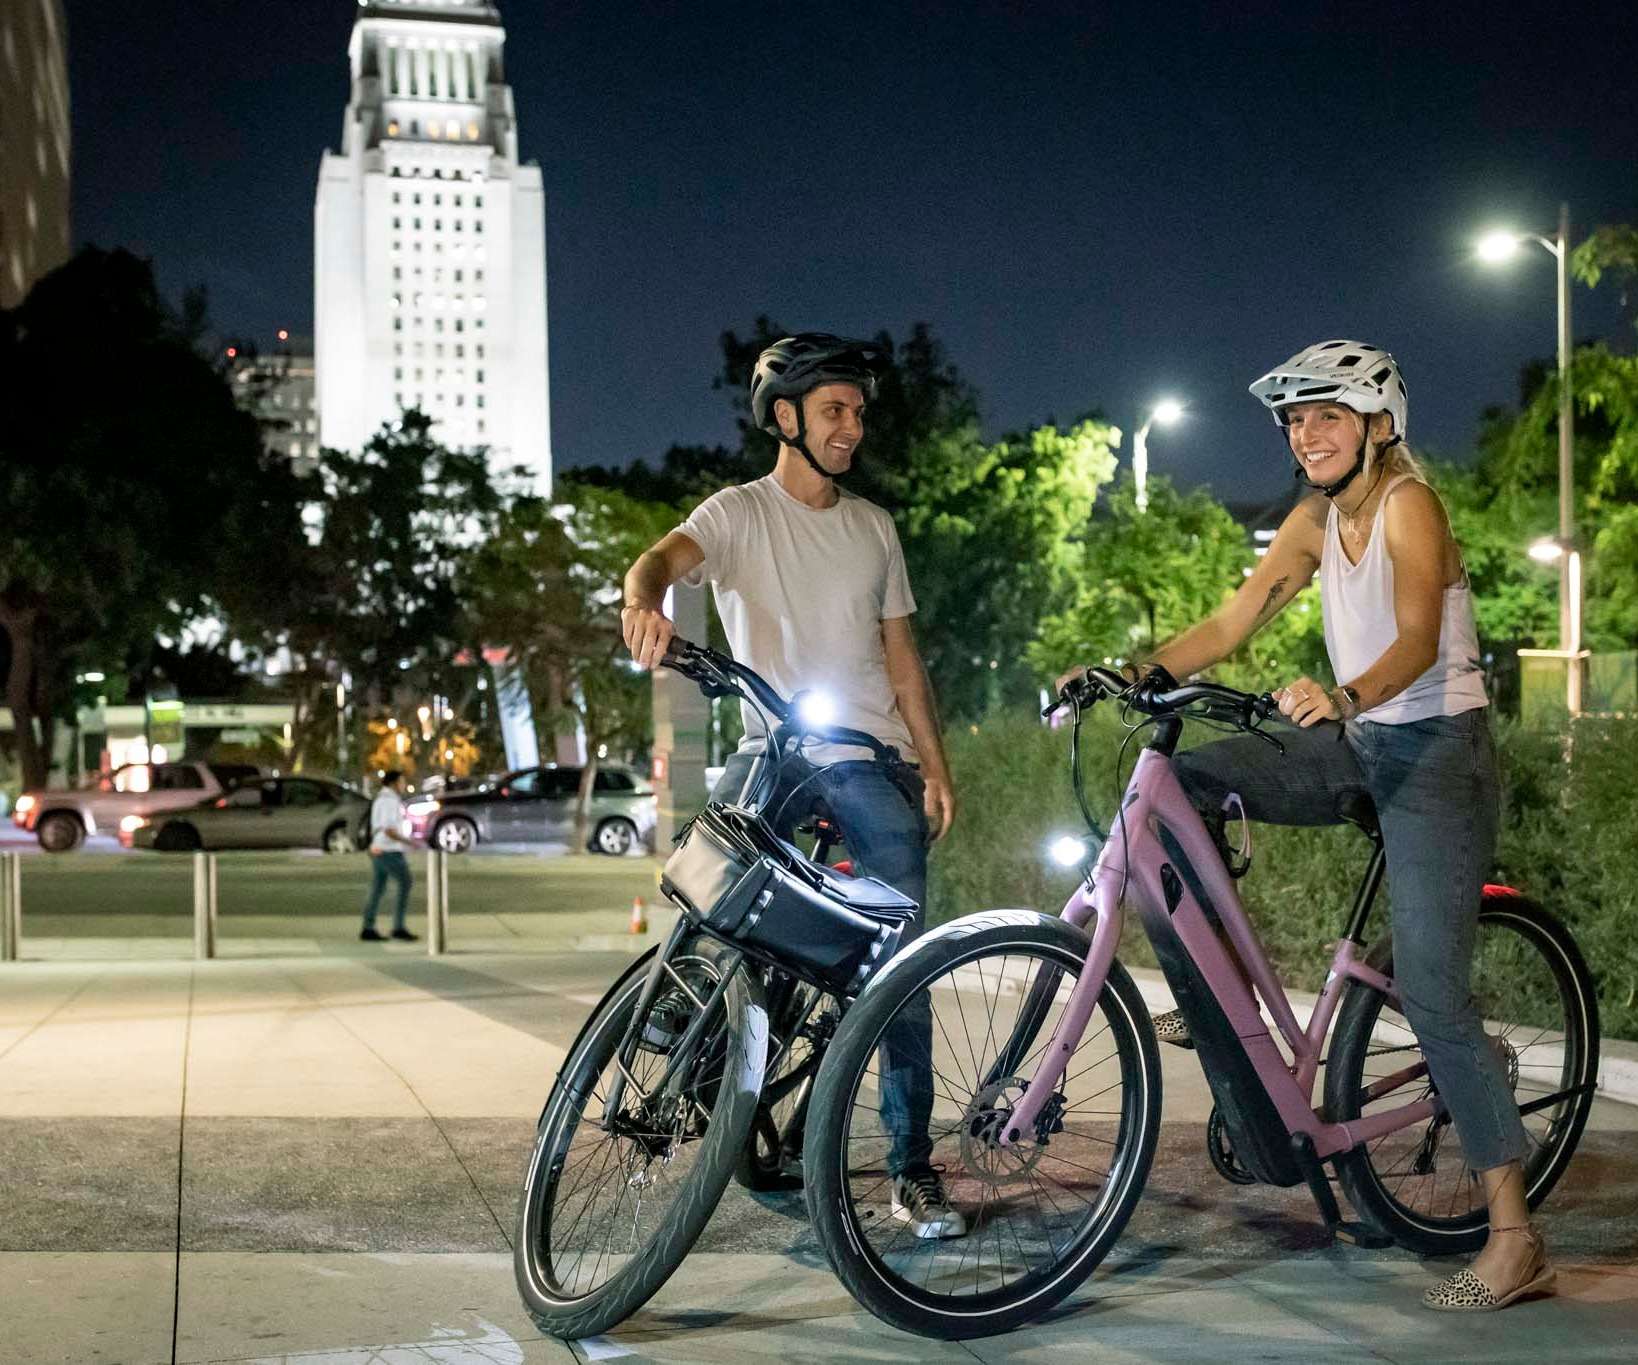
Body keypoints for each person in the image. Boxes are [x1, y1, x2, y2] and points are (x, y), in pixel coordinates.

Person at [1058, 340, 1547, 1312]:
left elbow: (1417, 638)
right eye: (1294, 419)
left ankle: (1516, 1237)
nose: (1305, 434)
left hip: (1436, 753)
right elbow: (1233, 621)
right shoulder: (1318, 517)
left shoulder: (1409, 503)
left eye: (1327, 415)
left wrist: (1344, 694)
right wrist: (1130, 671)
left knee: (1435, 996)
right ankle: (1223, 1000)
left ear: (1378, 424)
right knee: (1182, 783)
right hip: (1358, 742)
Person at [622, 333, 966, 1238]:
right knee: (711, 863)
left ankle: (912, 1167)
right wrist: (641, 601)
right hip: (775, 746)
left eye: (858, 411)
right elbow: (658, 561)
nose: (853, 427)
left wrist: (934, 765)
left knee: (901, 961)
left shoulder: (874, 526)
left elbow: (903, 657)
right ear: (786, 417)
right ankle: (689, 1011)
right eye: (834, 411)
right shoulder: (738, 513)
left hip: (871, 756)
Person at [360, 769, 417, 943]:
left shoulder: (382, 799)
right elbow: (389, 830)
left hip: (379, 848)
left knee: (378, 887)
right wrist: (410, 842)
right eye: (402, 782)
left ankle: (368, 927)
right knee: (405, 882)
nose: (404, 785)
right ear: (393, 783)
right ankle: (398, 927)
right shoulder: (389, 801)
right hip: (388, 850)